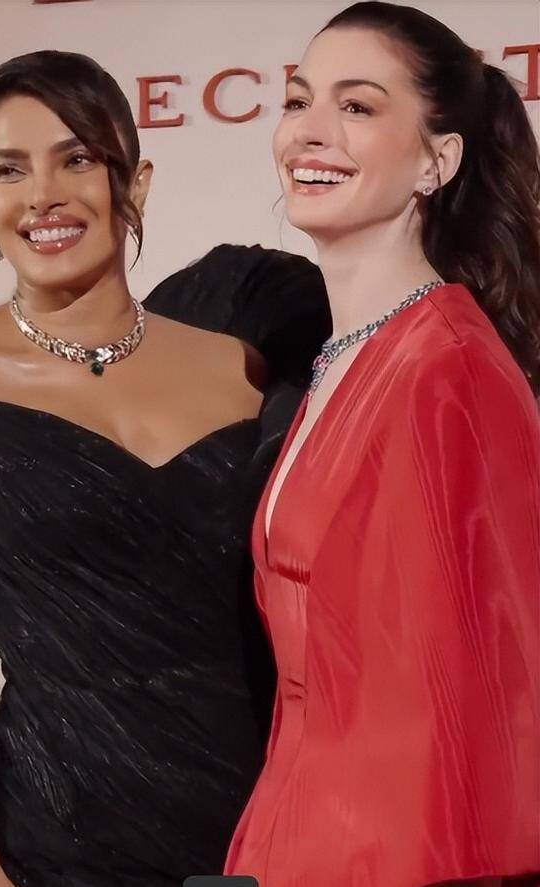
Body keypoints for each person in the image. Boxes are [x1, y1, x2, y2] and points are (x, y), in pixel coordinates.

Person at [0, 50, 330, 887]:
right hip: (52, 842)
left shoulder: (240, 370)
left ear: (136, 184)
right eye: (9, 170)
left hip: (255, 829)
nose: (42, 195)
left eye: (77, 159)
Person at [224, 3, 540, 886]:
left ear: (438, 161)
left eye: (357, 106)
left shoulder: (448, 371)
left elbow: (463, 724)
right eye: (299, 100)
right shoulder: (348, 357)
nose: (309, 130)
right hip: (292, 840)